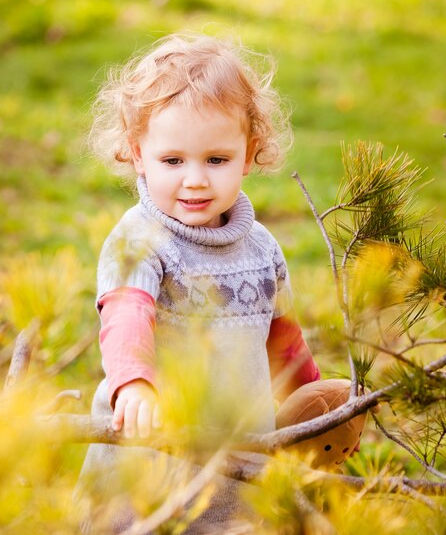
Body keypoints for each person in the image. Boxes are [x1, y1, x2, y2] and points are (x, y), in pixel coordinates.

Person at [80, 32, 320, 532]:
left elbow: (284, 341)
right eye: (173, 161)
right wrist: (135, 385)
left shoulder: (261, 248)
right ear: (137, 154)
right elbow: (126, 316)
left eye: (216, 160)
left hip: (241, 457)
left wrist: (315, 405)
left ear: (249, 154)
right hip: (150, 459)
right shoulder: (140, 241)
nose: (194, 179)